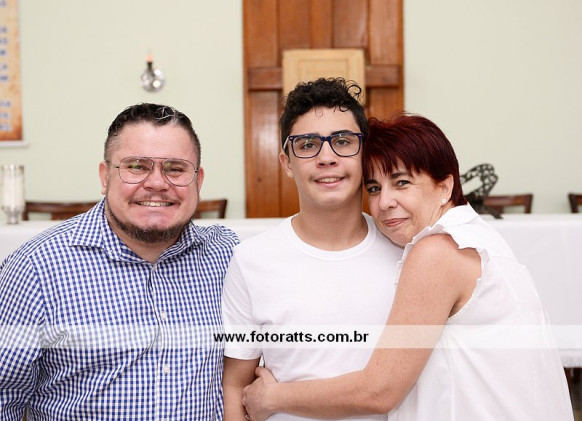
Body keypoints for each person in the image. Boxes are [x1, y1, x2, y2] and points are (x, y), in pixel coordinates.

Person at [242, 115, 574, 421]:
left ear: (444, 186)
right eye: (374, 188)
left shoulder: (438, 251)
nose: (384, 202)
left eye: (401, 183)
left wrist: (273, 397)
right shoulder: (478, 236)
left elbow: (379, 391)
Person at [0, 103, 239, 419]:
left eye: (175, 168)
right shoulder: (36, 269)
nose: (157, 183)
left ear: (198, 180)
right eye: (137, 166)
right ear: (104, 177)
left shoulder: (228, 256)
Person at [221, 78, 402, 421]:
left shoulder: (403, 250)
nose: (326, 158)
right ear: (286, 162)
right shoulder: (252, 260)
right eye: (307, 145)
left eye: (343, 141)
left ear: (365, 154)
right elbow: (235, 385)